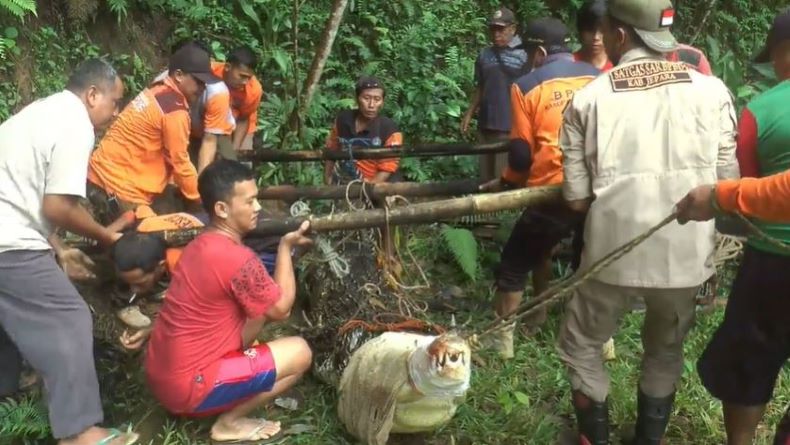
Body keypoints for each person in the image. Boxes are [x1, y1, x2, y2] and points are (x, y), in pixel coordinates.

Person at [556, 0, 740, 443]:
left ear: (619, 35)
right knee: (664, 348)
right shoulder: (713, 92)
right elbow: (727, 186)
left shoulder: (588, 99)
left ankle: (593, 438)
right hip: (685, 256)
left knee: (581, 342)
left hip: (609, 255)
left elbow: (577, 201)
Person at [122, 160, 313, 444]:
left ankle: (222, 386)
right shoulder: (238, 259)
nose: (258, 208)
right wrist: (285, 248)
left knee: (257, 311)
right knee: (300, 352)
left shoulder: (197, 245)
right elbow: (282, 308)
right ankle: (228, 423)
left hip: (161, 376)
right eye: (250, 201)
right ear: (222, 209)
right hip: (189, 389)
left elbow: (187, 309)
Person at [0, 59, 139, 445]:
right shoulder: (76, 124)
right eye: (115, 101)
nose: (116, 112)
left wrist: (59, 248)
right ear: (93, 95)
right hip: (9, 246)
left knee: (7, 321)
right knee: (69, 317)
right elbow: (58, 206)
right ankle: (79, 432)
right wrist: (106, 236)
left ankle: (7, 400)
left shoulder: (39, 112)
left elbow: (17, 191)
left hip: (9, 234)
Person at [676, 8, 790, 445]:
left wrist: (719, 196)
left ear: (785, 53)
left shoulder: (760, 110)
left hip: (771, 265)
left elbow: (747, 183)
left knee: (749, 362)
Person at [479, 18, 599, 358]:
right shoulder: (597, 77)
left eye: (531, 51)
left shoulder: (527, 85)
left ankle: (502, 343)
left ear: (540, 52)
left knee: (515, 262)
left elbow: (519, 154)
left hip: (554, 189)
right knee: (588, 261)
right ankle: (600, 342)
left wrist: (507, 183)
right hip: (601, 187)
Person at [87, 43, 221, 225]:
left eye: (204, 83)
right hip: (118, 187)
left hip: (101, 176)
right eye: (198, 81)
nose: (202, 88)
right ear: (179, 75)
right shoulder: (174, 110)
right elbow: (180, 161)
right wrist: (205, 201)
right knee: (157, 241)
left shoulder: (156, 91)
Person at [462, 7, 529, 182]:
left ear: (513, 29)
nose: (496, 34)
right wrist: (469, 114)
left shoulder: (524, 55)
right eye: (493, 29)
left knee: (502, 175)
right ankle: (485, 208)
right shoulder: (485, 55)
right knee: (485, 173)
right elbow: (481, 86)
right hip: (486, 122)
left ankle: (503, 209)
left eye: (501, 29)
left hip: (509, 125)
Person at [324, 76, 403, 184]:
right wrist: (328, 179)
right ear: (357, 98)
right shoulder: (342, 120)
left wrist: (367, 189)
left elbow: (388, 167)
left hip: (379, 185)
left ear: (382, 102)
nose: (371, 105)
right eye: (366, 98)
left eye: (377, 99)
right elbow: (331, 149)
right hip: (346, 181)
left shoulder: (389, 128)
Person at [211, 46, 264, 153]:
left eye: (249, 77)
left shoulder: (254, 90)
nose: (245, 82)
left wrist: (235, 150)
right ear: (227, 67)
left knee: (242, 161)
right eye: (242, 76)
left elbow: (244, 119)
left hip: (241, 125)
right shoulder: (210, 72)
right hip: (213, 119)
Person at [573, 0, 614, 71]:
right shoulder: (570, 63)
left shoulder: (619, 66)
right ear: (581, 31)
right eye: (590, 30)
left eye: (602, 31)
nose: (596, 37)